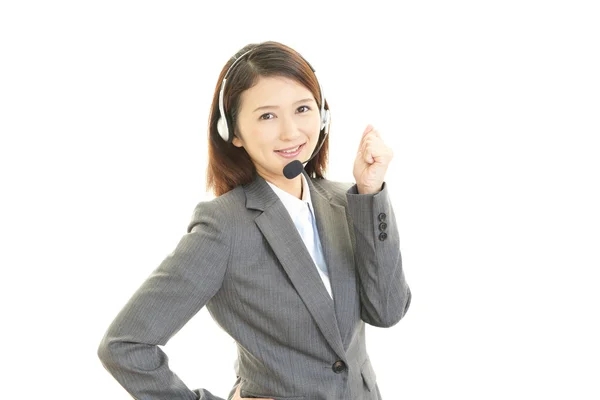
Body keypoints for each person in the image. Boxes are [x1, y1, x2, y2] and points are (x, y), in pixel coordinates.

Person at [97, 40, 411, 400]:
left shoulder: (348, 202)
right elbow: (125, 345)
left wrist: (370, 195)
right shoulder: (224, 226)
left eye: (303, 109)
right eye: (267, 115)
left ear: (323, 115)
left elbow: (387, 311)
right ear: (232, 131)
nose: (291, 132)